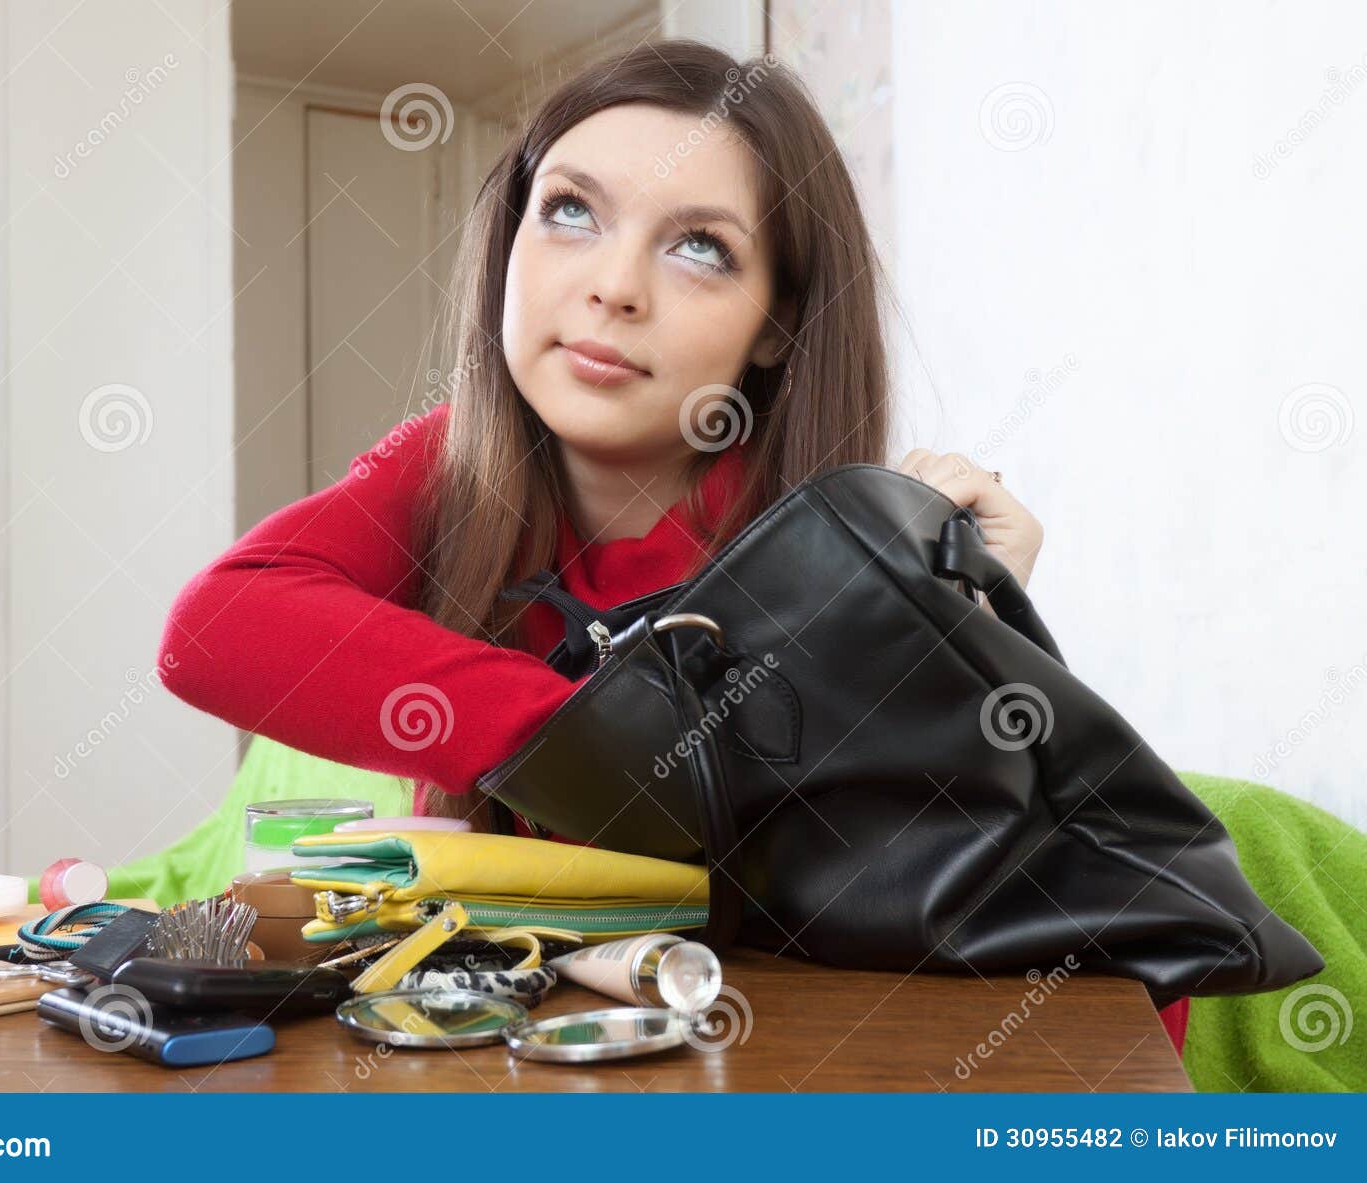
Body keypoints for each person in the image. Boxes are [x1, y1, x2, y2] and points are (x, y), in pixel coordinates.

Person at [156, 39, 1187, 1056]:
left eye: (699, 246)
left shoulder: (838, 551)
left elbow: (1080, 963)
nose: (612, 286)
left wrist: (950, 656)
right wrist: (603, 746)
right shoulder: (447, 469)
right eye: (570, 210)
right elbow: (213, 629)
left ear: (777, 323)